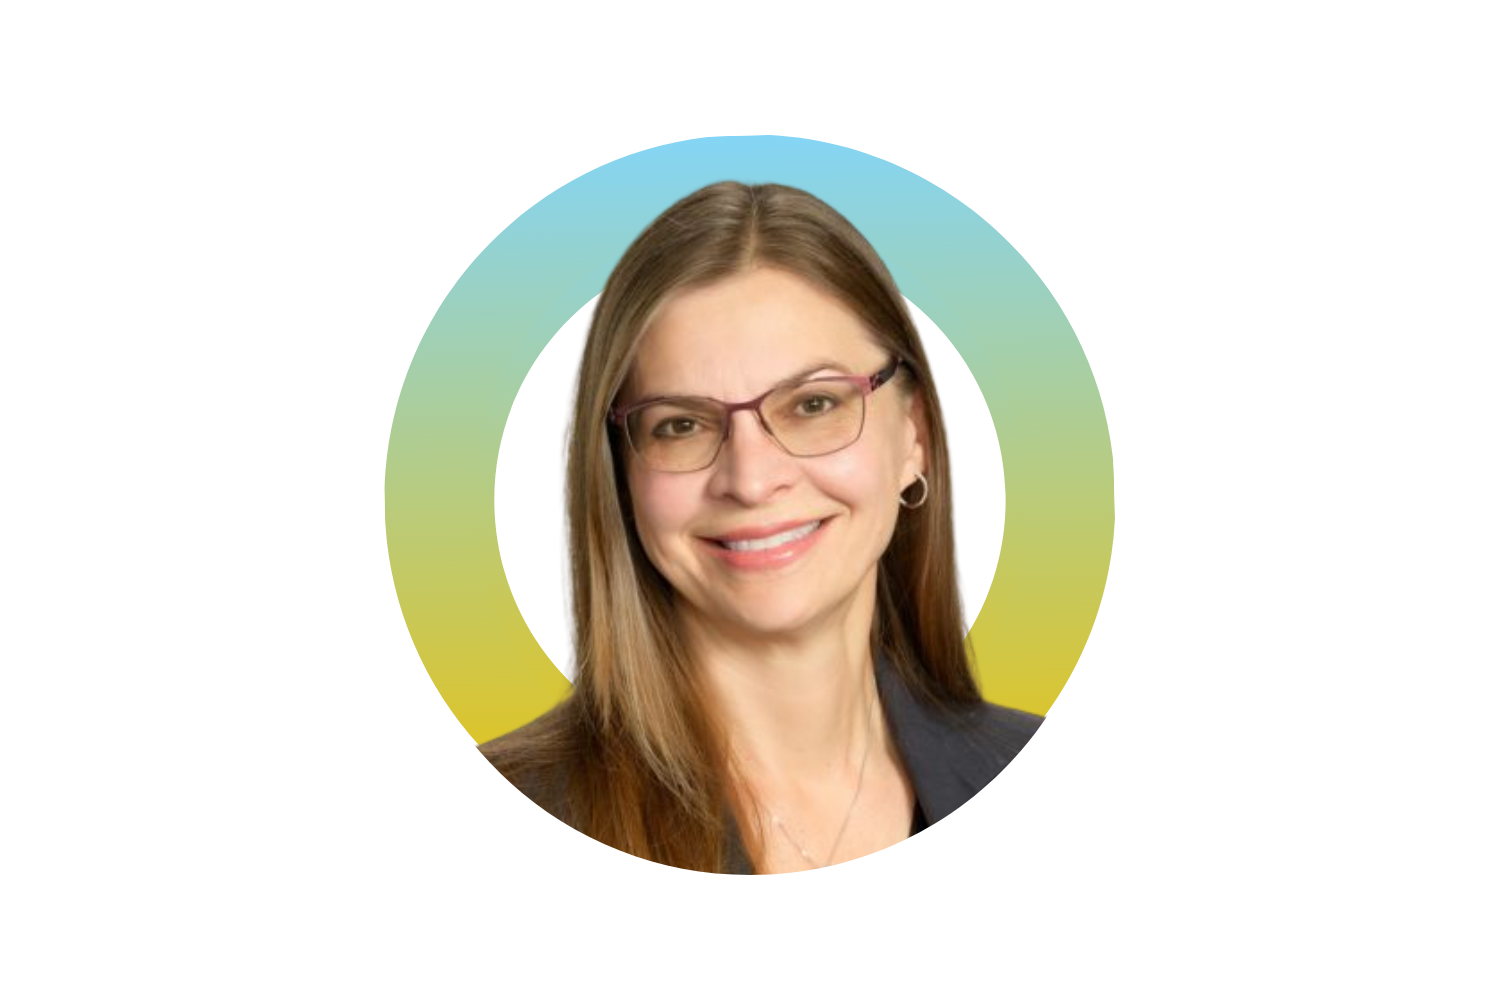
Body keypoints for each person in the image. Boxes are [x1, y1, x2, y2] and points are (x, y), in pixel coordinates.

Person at [481, 181, 1041, 896]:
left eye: (813, 404)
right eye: (680, 424)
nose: (750, 479)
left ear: (915, 440)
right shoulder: (521, 807)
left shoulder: (1051, 790)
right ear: (618, 477)